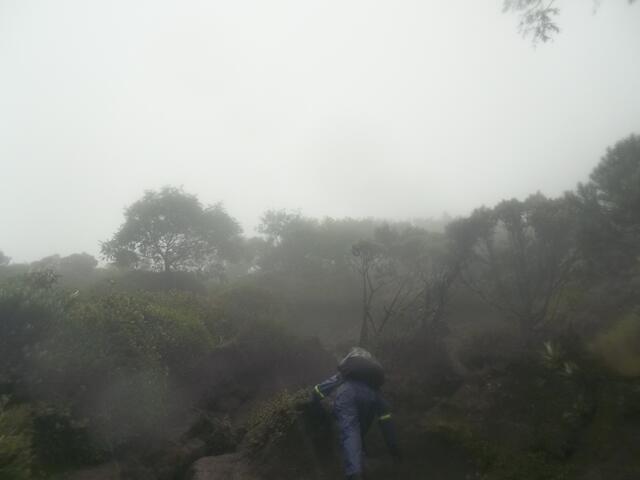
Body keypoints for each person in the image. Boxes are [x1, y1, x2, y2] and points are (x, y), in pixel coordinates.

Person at [312, 347, 401, 480]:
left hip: (347, 394)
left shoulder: (347, 373)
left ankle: (354, 473)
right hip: (370, 398)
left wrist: (315, 398)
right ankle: (361, 464)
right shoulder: (373, 385)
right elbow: (385, 419)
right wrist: (393, 447)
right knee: (358, 432)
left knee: (350, 431)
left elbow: (319, 389)